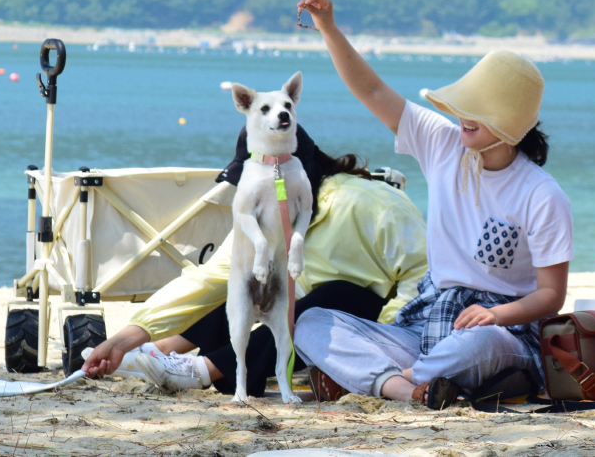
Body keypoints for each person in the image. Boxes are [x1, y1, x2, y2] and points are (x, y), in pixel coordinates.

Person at [292, 0, 572, 409]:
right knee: (311, 322)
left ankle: (394, 380)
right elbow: (370, 90)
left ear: (509, 125)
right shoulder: (444, 145)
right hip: (428, 323)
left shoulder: (541, 193)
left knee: (473, 345)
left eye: (478, 110)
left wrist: (495, 315)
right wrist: (329, 28)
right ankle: (413, 389)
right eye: (463, 106)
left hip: (500, 332)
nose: (463, 116)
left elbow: (551, 296)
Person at [81, 123, 428, 397]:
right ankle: (157, 352)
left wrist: (383, 341)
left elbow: (424, 276)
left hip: (379, 332)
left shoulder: (371, 205)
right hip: (306, 330)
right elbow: (208, 280)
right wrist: (126, 338)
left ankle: (204, 370)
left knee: (331, 293)